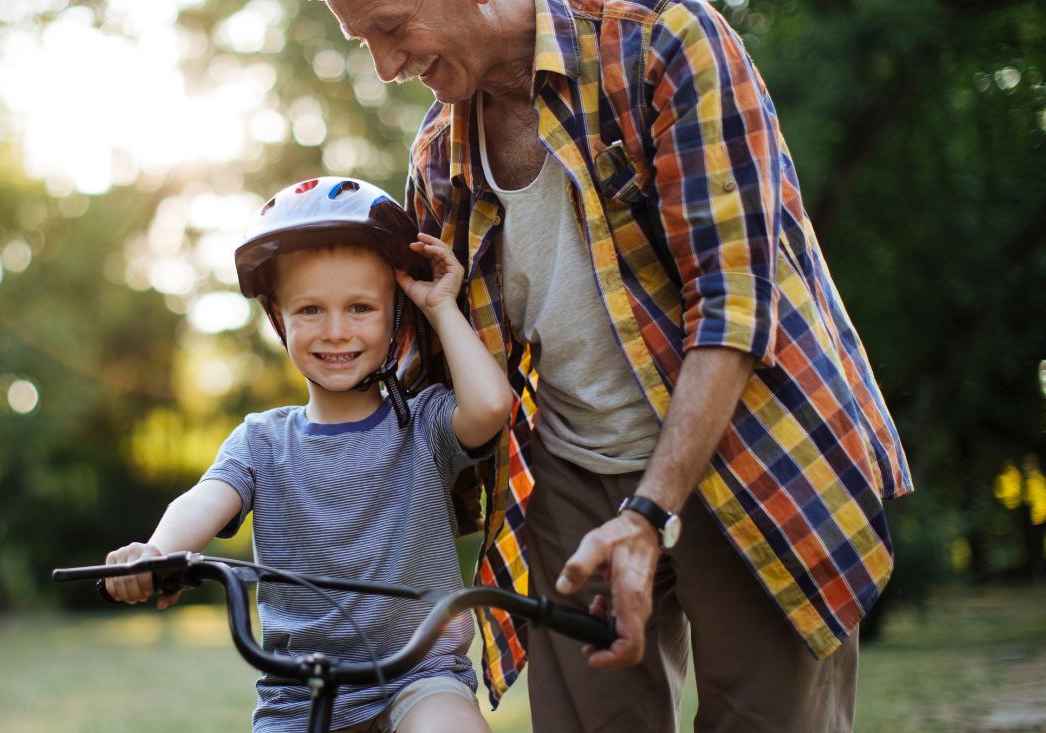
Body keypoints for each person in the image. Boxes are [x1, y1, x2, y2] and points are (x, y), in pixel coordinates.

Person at [321, 0, 914, 730]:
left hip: (747, 442)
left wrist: (649, 514)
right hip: (570, 468)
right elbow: (431, 376)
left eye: (390, 27)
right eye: (363, 42)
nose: (385, 67)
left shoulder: (661, 40)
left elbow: (733, 301)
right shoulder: (439, 156)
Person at [104, 177, 511, 733]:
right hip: (299, 693)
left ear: (396, 314)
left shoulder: (424, 423)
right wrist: (157, 552)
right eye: (311, 310)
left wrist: (440, 305)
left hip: (419, 676)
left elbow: (491, 406)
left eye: (361, 307)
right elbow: (203, 500)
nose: (336, 331)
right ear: (280, 319)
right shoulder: (260, 441)